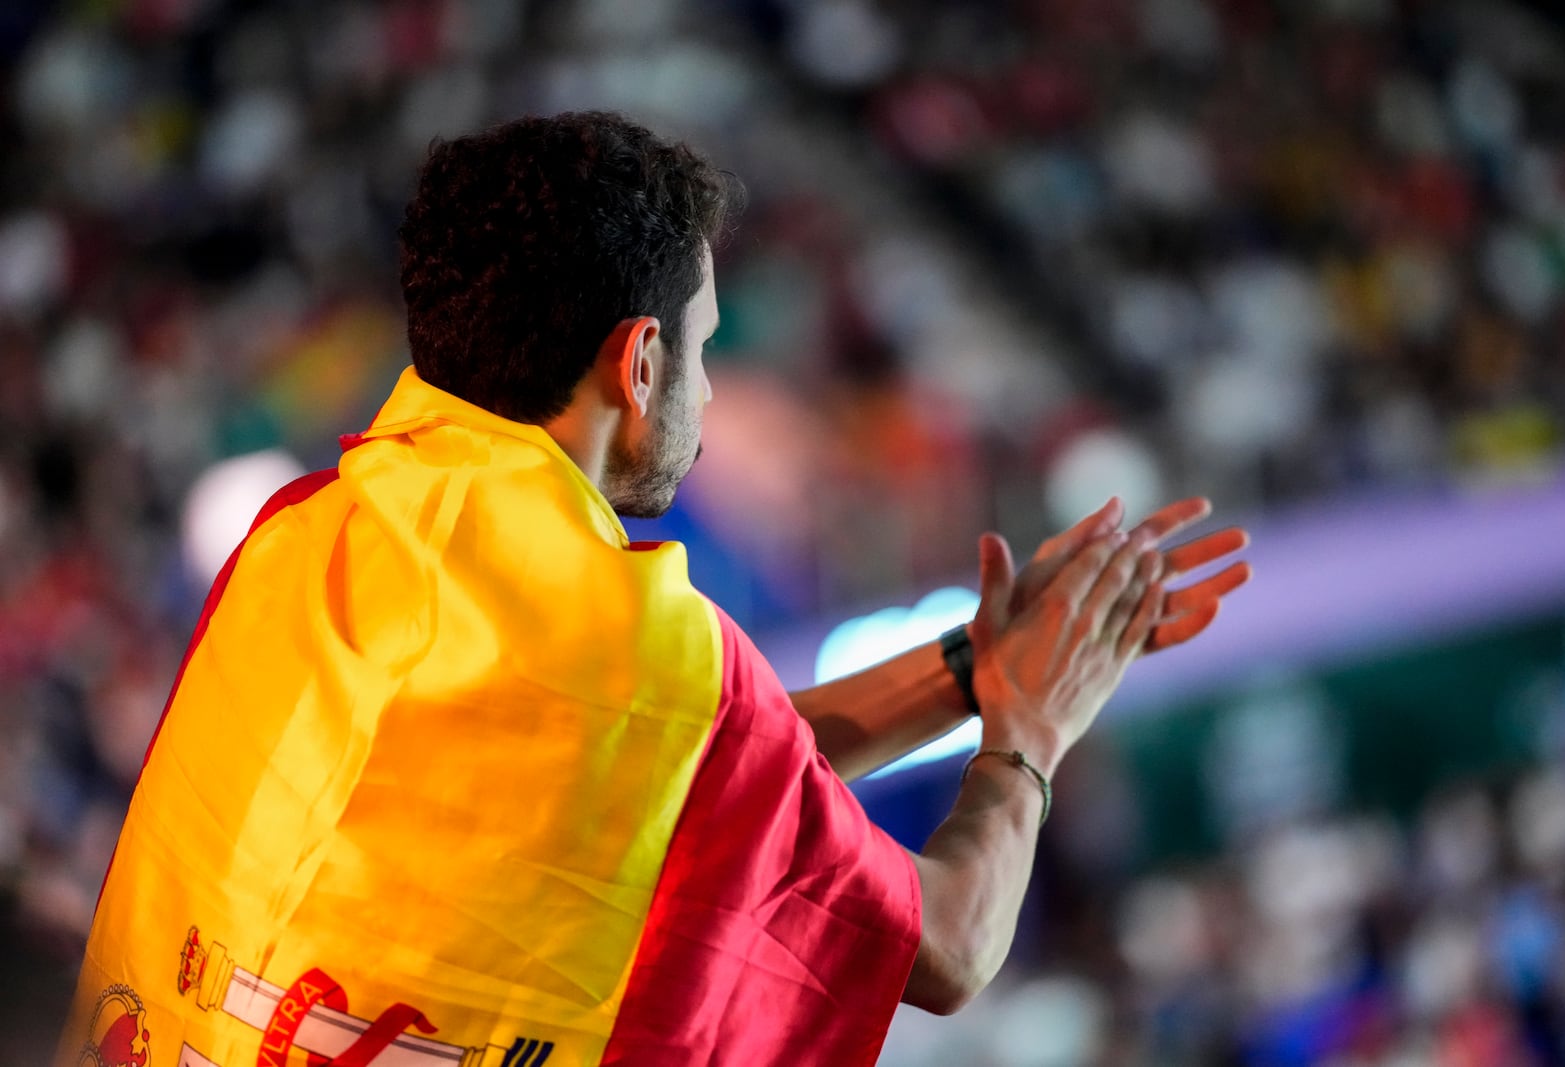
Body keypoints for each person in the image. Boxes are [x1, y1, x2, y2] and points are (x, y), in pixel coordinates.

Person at [57, 111, 1249, 1067]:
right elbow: (947, 944)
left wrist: (965, 676)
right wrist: (1030, 732)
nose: (711, 394)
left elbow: (699, 769)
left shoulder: (301, 533)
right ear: (637, 362)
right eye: (705, 344)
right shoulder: (640, 648)